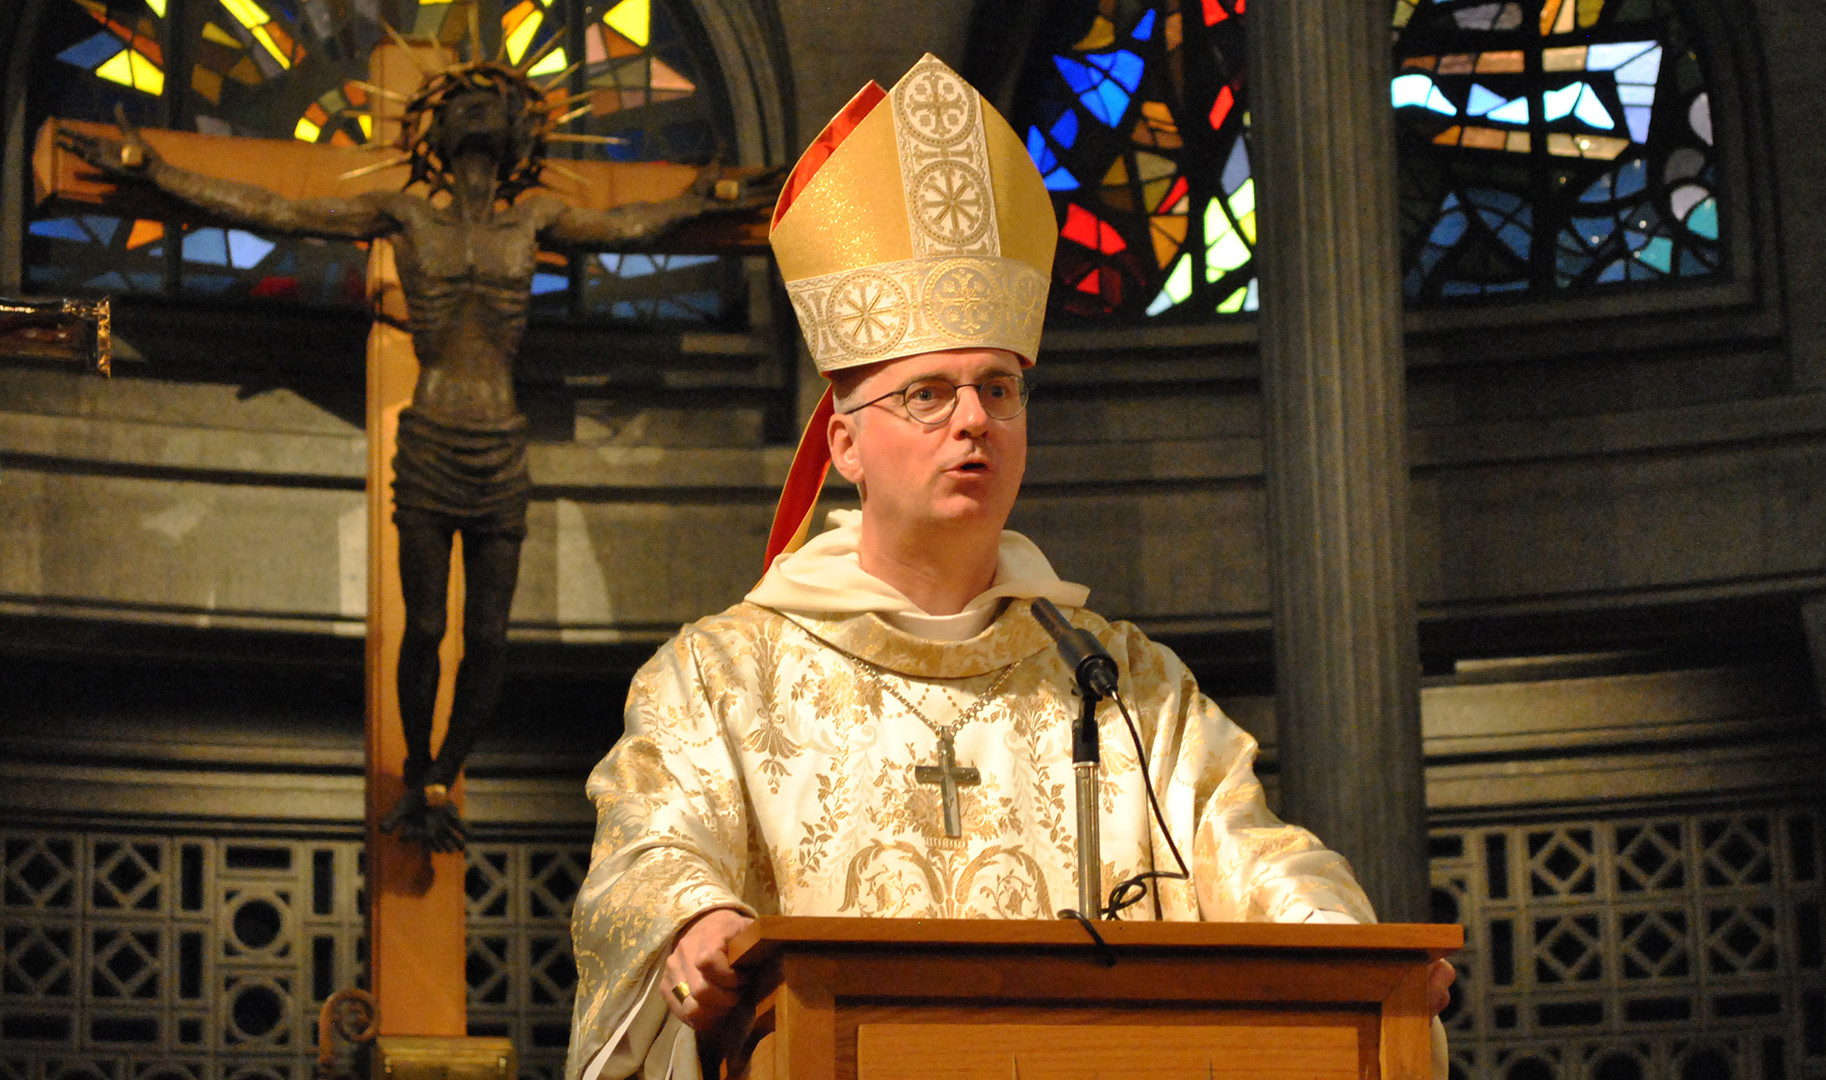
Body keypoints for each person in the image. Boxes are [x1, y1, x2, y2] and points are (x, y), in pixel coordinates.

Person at [566, 54, 1453, 1080]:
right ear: (844, 446)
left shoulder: (1126, 686)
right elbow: (653, 854)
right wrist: (696, 924)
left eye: (999, 388)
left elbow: (1253, 852)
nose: (975, 420)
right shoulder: (716, 679)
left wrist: (1352, 953)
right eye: (929, 395)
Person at [59, 58, 772, 852]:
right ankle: (418, 765)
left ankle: (445, 771)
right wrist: (159, 172)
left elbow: (628, 226)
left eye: (489, 104)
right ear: (433, 129)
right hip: (430, 439)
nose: (475, 112)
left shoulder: (533, 220)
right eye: (461, 102)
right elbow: (276, 209)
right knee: (427, 625)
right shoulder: (403, 214)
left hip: (500, 445)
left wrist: (691, 203)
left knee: (493, 637)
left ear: (517, 133)